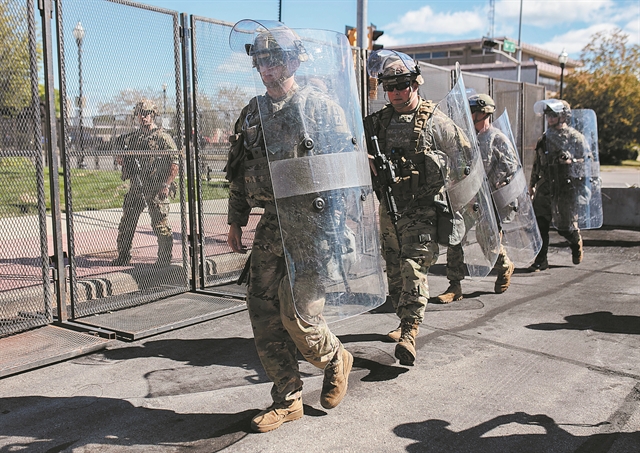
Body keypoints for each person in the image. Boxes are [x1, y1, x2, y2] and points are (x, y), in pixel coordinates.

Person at [225, 24, 354, 433]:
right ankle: (288, 397)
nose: (267, 67)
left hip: (313, 227)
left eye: (275, 59)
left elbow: (346, 177)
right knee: (262, 311)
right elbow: (238, 169)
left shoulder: (321, 108)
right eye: (260, 60)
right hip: (272, 227)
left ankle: (335, 358)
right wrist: (236, 219)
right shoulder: (252, 112)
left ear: (295, 60)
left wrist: (341, 228)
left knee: (299, 316)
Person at [363, 50, 470, 366]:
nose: (396, 92)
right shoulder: (378, 124)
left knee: (413, 268)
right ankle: (402, 318)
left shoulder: (436, 121)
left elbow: (464, 158)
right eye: (390, 87)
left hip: (422, 209)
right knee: (394, 269)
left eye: (403, 85)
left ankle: (410, 332)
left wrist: (445, 182)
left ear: (415, 83)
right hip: (390, 208)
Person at [436, 94, 518, 302]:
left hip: (486, 202)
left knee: (488, 243)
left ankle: (505, 266)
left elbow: (510, 169)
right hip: (466, 199)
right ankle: (455, 286)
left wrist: (492, 187)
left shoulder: (497, 139)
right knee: (455, 238)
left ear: (483, 113)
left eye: (472, 110)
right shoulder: (466, 138)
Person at [110, 100, 178, 267]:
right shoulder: (134, 138)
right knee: (127, 223)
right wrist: (122, 159)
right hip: (137, 186)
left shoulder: (163, 137)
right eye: (140, 113)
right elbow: (124, 156)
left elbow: (174, 163)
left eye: (147, 113)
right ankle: (123, 256)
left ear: (153, 115)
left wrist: (166, 184)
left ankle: (163, 260)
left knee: (160, 225)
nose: (143, 116)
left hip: (156, 186)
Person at [528, 99, 586, 271]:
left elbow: (587, 162)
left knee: (564, 227)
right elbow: (537, 163)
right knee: (540, 224)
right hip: (546, 187)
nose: (550, 119)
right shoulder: (544, 139)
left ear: (563, 116)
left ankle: (575, 242)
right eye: (548, 115)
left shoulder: (575, 138)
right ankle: (541, 260)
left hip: (565, 187)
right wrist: (532, 184)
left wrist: (572, 161)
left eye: (554, 115)